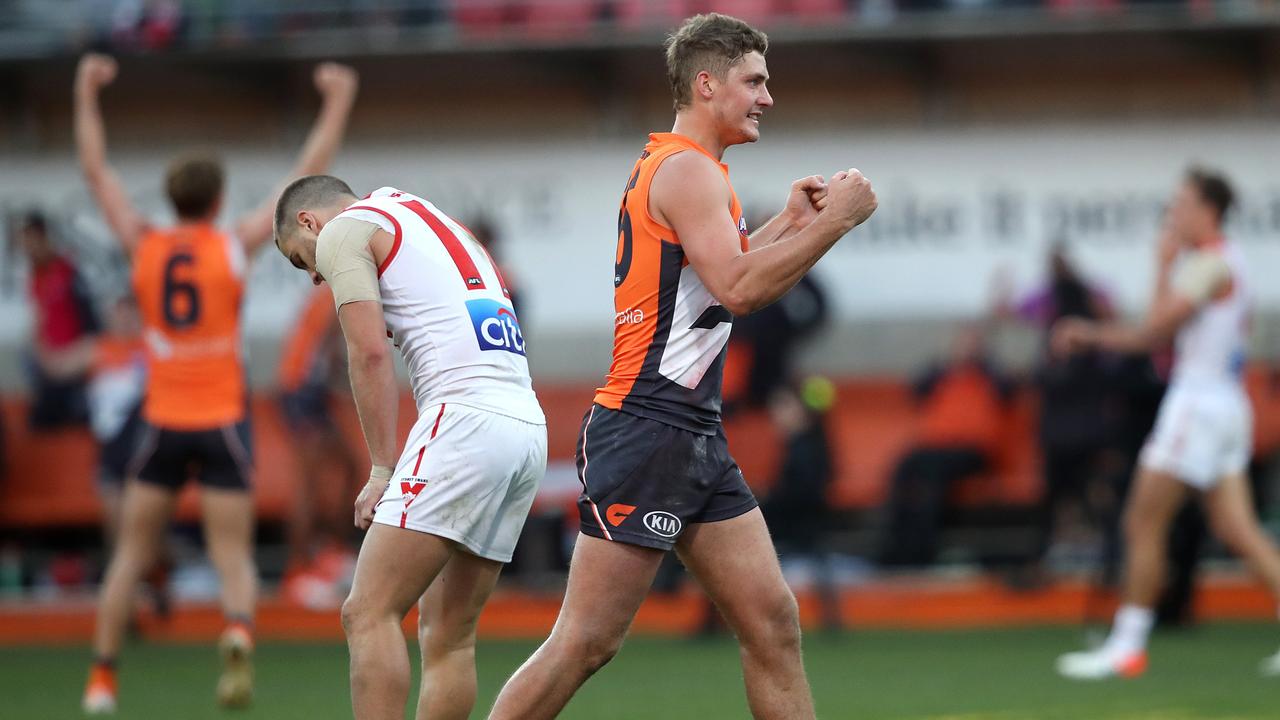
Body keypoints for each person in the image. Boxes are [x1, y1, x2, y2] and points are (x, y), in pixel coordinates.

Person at [486, 13, 877, 720]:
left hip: (687, 433)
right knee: (585, 643)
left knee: (772, 624)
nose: (767, 97)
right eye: (754, 81)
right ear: (707, 83)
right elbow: (740, 292)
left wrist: (787, 224)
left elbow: (704, 288)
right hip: (646, 430)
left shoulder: (691, 169)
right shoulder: (690, 171)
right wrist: (833, 223)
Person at [75, 53, 358, 713]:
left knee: (130, 554)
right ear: (217, 198)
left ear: (171, 198)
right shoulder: (231, 244)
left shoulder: (143, 244)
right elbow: (302, 178)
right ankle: (236, 631)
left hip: (164, 417)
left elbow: (96, 172)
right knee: (231, 554)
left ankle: (101, 680)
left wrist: (85, 90)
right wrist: (337, 99)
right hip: (223, 417)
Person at [273, 175, 548, 720]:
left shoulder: (343, 232)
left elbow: (369, 353)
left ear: (309, 222)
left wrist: (381, 469)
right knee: (450, 638)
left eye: (301, 260)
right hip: (524, 424)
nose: (312, 277)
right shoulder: (427, 215)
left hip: (463, 419)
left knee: (367, 611)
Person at [1054, 168, 1280, 679]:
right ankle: (1126, 641)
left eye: (1181, 204)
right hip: (1224, 404)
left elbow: (1152, 333)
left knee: (1142, 521)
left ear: (1208, 211)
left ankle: (1127, 646)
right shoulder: (1227, 261)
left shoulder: (1207, 264)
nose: (1173, 214)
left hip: (1197, 406)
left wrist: (1088, 332)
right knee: (1238, 530)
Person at [876, 323, 1014, 567]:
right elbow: (917, 387)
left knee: (932, 474)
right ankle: (894, 543)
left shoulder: (989, 375)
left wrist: (982, 362)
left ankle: (923, 549)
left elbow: (1008, 389)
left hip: (973, 449)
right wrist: (946, 363)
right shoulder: (943, 373)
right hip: (937, 447)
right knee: (904, 468)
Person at [277, 284, 360, 608]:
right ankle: (297, 570)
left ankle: (329, 555)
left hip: (306, 387)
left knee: (350, 467)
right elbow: (328, 343)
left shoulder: (329, 289)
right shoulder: (339, 288)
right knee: (309, 482)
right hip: (302, 388)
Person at [20, 211, 98, 429]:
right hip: (50, 360)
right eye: (25, 242)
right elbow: (38, 321)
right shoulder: (35, 277)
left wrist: (73, 357)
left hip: (75, 357)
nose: (28, 248)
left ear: (44, 237)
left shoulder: (68, 271)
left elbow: (90, 323)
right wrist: (43, 353)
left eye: (32, 240)